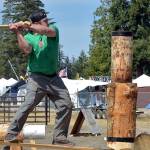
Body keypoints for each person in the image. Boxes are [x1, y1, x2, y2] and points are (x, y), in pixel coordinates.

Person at [4, 9, 74, 146]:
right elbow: (26, 49)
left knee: (66, 105)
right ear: (37, 22)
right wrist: (18, 32)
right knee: (29, 104)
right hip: (37, 78)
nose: (47, 22)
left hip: (54, 77)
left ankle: (59, 137)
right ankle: (12, 132)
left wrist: (27, 25)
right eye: (44, 21)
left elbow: (47, 31)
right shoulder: (29, 37)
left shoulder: (53, 29)